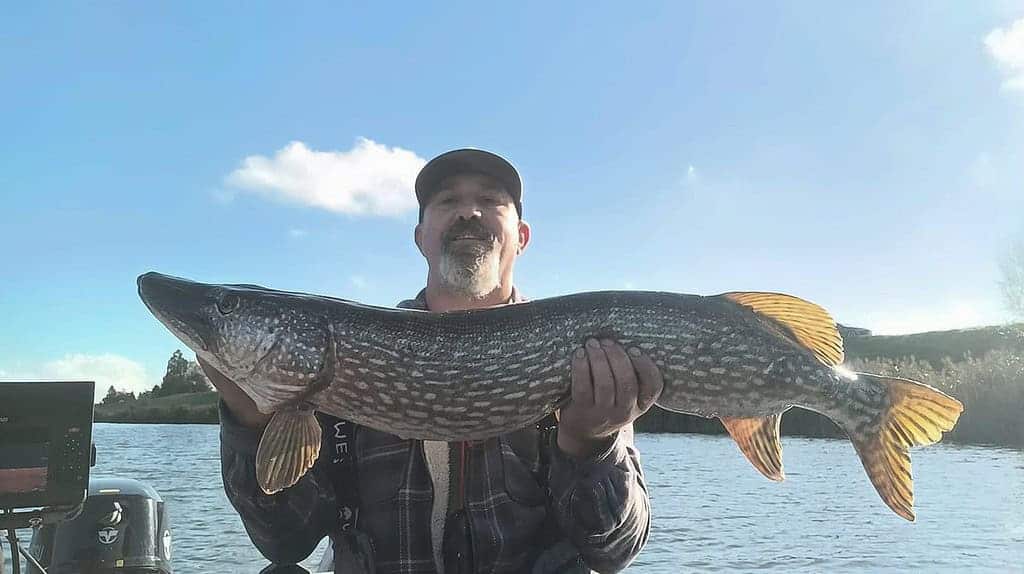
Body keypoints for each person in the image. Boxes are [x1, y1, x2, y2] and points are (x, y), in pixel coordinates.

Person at [200, 148, 664, 574]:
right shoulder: (350, 361)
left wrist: (589, 443)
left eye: (490, 200)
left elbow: (614, 550)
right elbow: (285, 540)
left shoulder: (583, 350)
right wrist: (249, 419)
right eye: (447, 201)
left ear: (521, 237)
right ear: (421, 238)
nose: (468, 212)